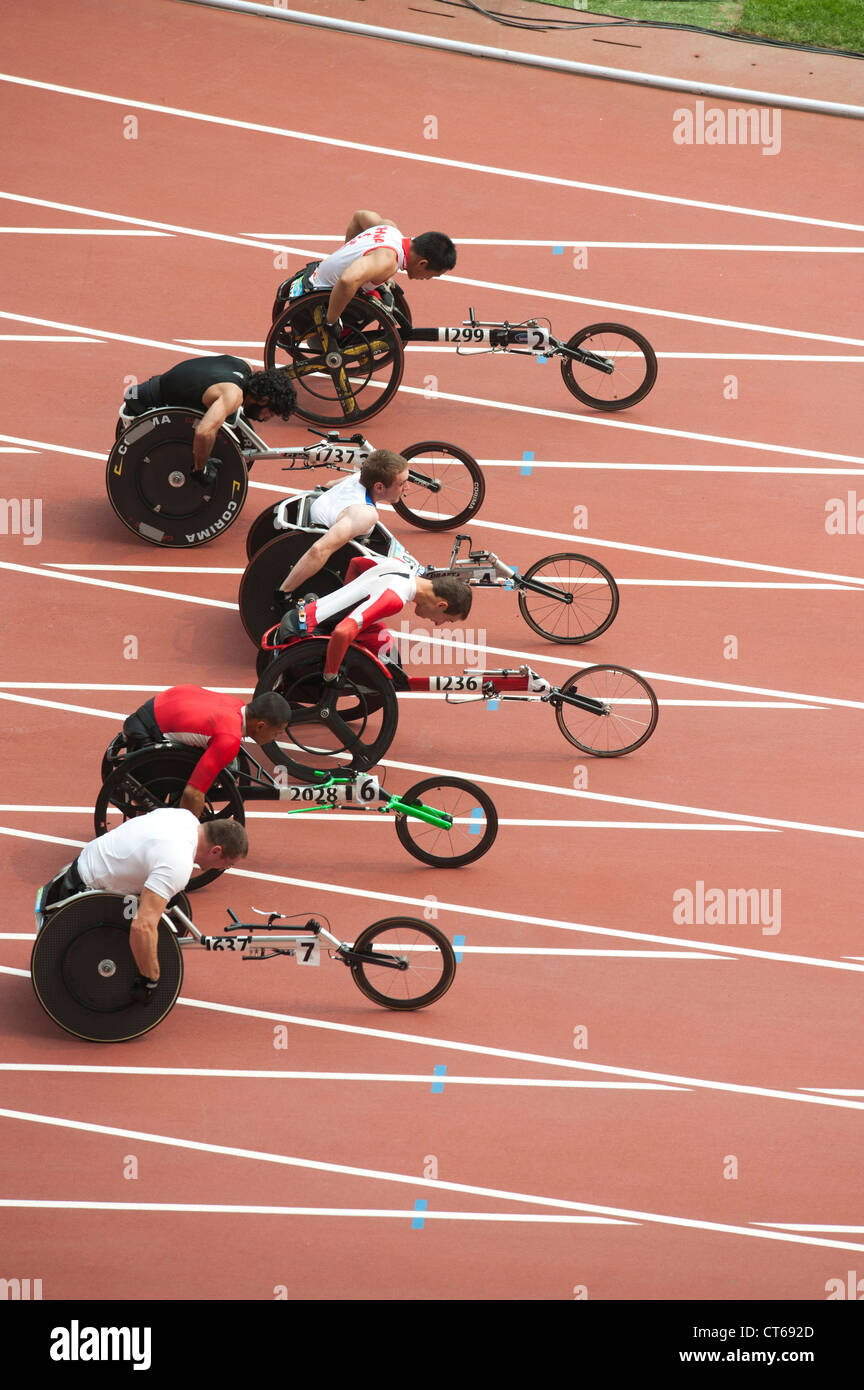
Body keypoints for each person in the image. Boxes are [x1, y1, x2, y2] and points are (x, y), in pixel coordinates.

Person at [36, 810, 249, 1002]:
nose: (224, 869)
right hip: (82, 892)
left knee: (165, 900)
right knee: (148, 931)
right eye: (227, 864)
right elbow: (142, 926)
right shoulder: (177, 863)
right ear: (215, 851)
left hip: (83, 865)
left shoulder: (184, 817)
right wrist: (151, 978)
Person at [275, 555, 472, 683]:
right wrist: (330, 675)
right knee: (361, 644)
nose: (438, 624)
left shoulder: (399, 565)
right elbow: (342, 632)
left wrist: (346, 598)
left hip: (302, 614)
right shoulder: (395, 598)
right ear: (441, 605)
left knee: (381, 638)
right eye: (446, 620)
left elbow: (356, 563)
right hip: (303, 635)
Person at [272, 209, 457, 337]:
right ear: (423, 263)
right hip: (314, 299)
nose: (427, 279)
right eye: (432, 275)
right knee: (378, 308)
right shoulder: (387, 261)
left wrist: (347, 255)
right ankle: (330, 336)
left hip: (313, 277)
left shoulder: (390, 228)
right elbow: (347, 280)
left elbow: (359, 216)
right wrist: (331, 322)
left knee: (380, 293)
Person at [116, 686, 292, 819]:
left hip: (155, 708)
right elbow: (193, 793)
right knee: (190, 787)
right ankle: (146, 822)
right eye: (277, 733)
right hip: (146, 734)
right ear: (260, 726)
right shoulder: (229, 738)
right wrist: (192, 837)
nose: (275, 738)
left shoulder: (236, 705)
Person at [273, 449, 410, 614]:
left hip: (317, 518)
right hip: (326, 546)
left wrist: (333, 510)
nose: (407, 488)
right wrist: (284, 593)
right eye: (401, 483)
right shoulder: (365, 514)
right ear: (379, 487)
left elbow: (329, 485)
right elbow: (319, 549)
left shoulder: (357, 478)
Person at [118, 355, 297, 476]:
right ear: (263, 399)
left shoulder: (243, 366)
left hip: (145, 389)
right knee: (208, 433)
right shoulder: (232, 395)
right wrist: (200, 468)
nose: (266, 419)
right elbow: (204, 432)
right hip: (142, 405)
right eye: (271, 412)